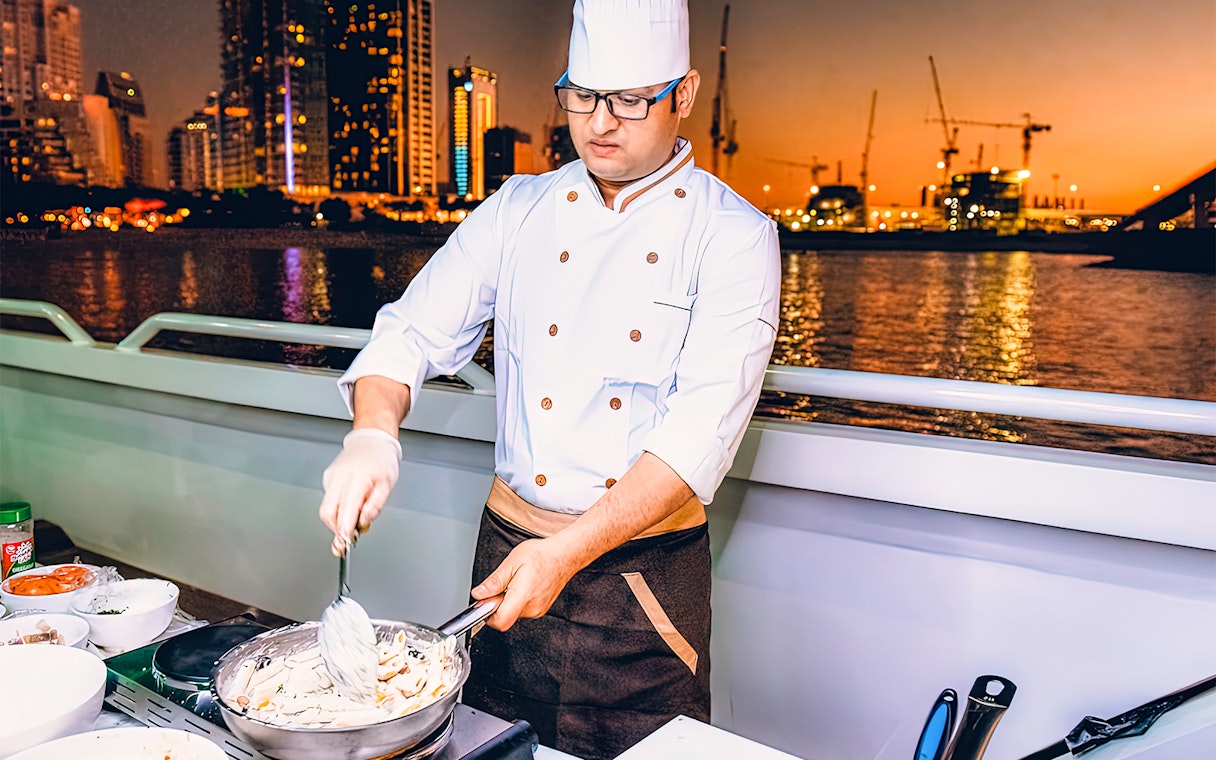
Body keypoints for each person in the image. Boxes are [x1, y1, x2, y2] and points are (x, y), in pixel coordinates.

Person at [318, 1, 780, 756]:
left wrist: (566, 552)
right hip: (507, 555)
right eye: (582, 96)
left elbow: (696, 440)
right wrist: (373, 433)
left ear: (685, 94)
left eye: (632, 100)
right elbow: (411, 332)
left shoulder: (733, 236)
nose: (601, 122)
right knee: (491, 743)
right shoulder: (519, 208)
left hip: (642, 580)